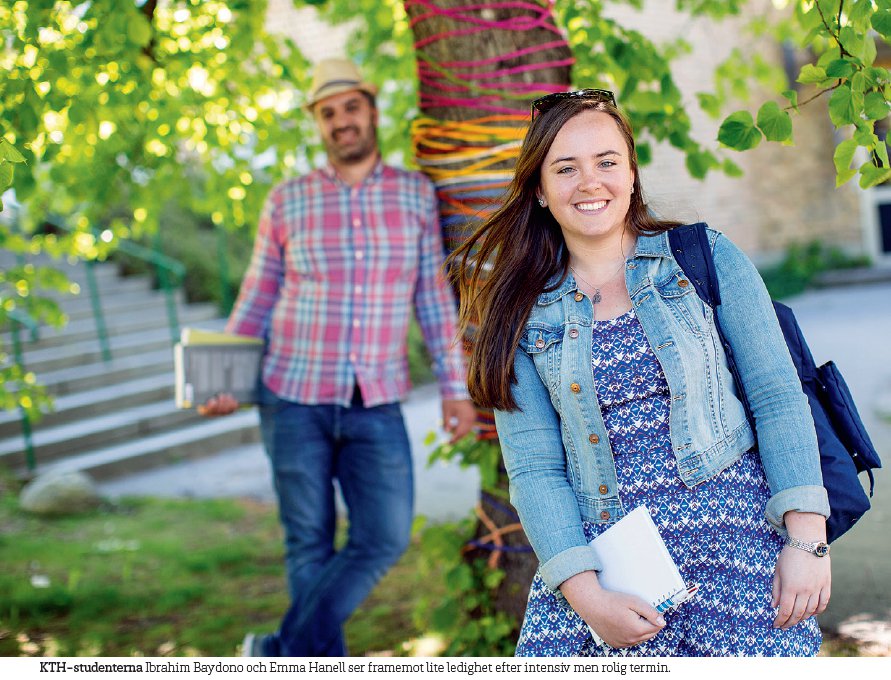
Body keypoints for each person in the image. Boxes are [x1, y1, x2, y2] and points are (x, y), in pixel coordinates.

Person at [448, 89, 831, 656]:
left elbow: (777, 397)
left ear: (631, 173)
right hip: (608, 572)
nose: (590, 182)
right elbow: (534, 470)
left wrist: (807, 541)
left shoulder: (704, 258)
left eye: (606, 162)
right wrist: (587, 598)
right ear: (540, 190)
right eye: (565, 168)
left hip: (737, 549)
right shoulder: (520, 312)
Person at [200, 57, 476, 656]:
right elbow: (257, 295)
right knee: (308, 543)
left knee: (385, 535)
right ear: (318, 123)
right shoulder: (287, 200)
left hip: (375, 399)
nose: (341, 121)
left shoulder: (414, 195)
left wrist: (455, 388)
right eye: (328, 113)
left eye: (351, 107)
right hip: (291, 396)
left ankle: (278, 653)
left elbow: (432, 297)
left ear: (372, 112)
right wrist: (219, 377)